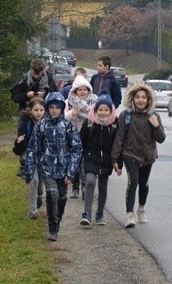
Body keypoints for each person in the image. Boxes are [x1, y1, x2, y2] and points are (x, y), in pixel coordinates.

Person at [24, 92, 82, 241]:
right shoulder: (42, 126)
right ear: (47, 108)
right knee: (52, 194)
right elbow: (32, 149)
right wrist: (29, 172)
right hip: (47, 167)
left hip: (64, 168)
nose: (54, 110)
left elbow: (76, 148)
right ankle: (52, 227)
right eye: (51, 107)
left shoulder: (68, 126)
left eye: (57, 107)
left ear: (62, 108)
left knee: (62, 197)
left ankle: (58, 218)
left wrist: (71, 172)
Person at [111, 82, 166, 228]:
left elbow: (161, 139)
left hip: (147, 156)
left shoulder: (154, 116)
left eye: (143, 97)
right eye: (137, 97)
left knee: (144, 184)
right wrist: (115, 159)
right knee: (133, 181)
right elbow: (119, 138)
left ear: (148, 100)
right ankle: (129, 215)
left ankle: (141, 208)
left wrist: (156, 126)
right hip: (130, 154)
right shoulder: (125, 116)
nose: (140, 100)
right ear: (132, 99)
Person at [79, 94, 119, 226]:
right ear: (95, 110)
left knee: (103, 186)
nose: (103, 113)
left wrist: (117, 162)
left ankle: (100, 214)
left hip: (106, 160)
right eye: (100, 110)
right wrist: (81, 158)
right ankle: (87, 213)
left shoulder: (114, 125)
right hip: (91, 158)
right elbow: (81, 142)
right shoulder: (89, 123)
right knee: (90, 182)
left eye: (106, 110)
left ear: (110, 111)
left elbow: (118, 145)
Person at [64, 74, 97, 198]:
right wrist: (71, 113)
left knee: (86, 162)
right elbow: (62, 117)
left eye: (85, 89)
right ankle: (75, 186)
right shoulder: (69, 102)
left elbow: (99, 116)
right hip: (73, 135)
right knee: (76, 163)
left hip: (89, 136)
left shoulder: (95, 101)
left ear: (89, 90)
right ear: (75, 91)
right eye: (80, 90)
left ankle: (85, 186)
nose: (83, 92)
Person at [14, 97, 46, 218]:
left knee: (41, 182)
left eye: (41, 110)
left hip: (43, 155)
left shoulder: (48, 122)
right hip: (29, 154)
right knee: (34, 180)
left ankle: (39, 195)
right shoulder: (25, 123)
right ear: (30, 110)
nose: (39, 113)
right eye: (36, 110)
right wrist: (19, 142)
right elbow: (19, 145)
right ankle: (33, 210)